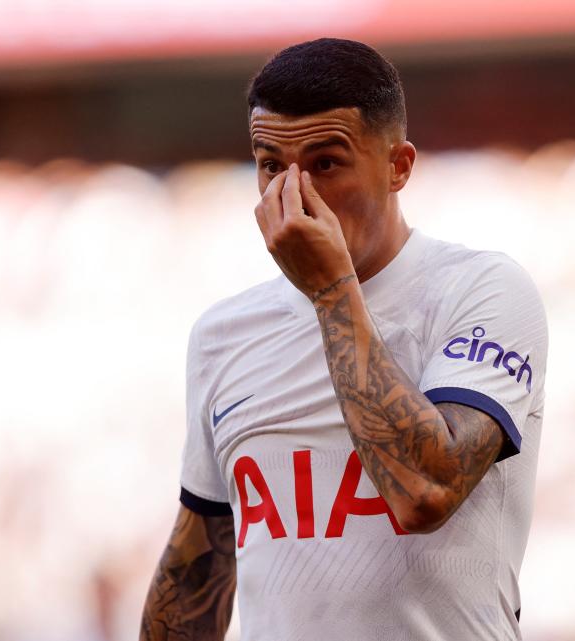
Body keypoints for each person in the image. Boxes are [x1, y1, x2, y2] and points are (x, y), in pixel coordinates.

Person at [140, 37, 548, 641]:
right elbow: (200, 567)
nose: (295, 195)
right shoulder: (223, 335)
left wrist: (331, 290)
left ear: (398, 165)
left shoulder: (482, 290)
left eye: (325, 164)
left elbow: (425, 491)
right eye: (271, 165)